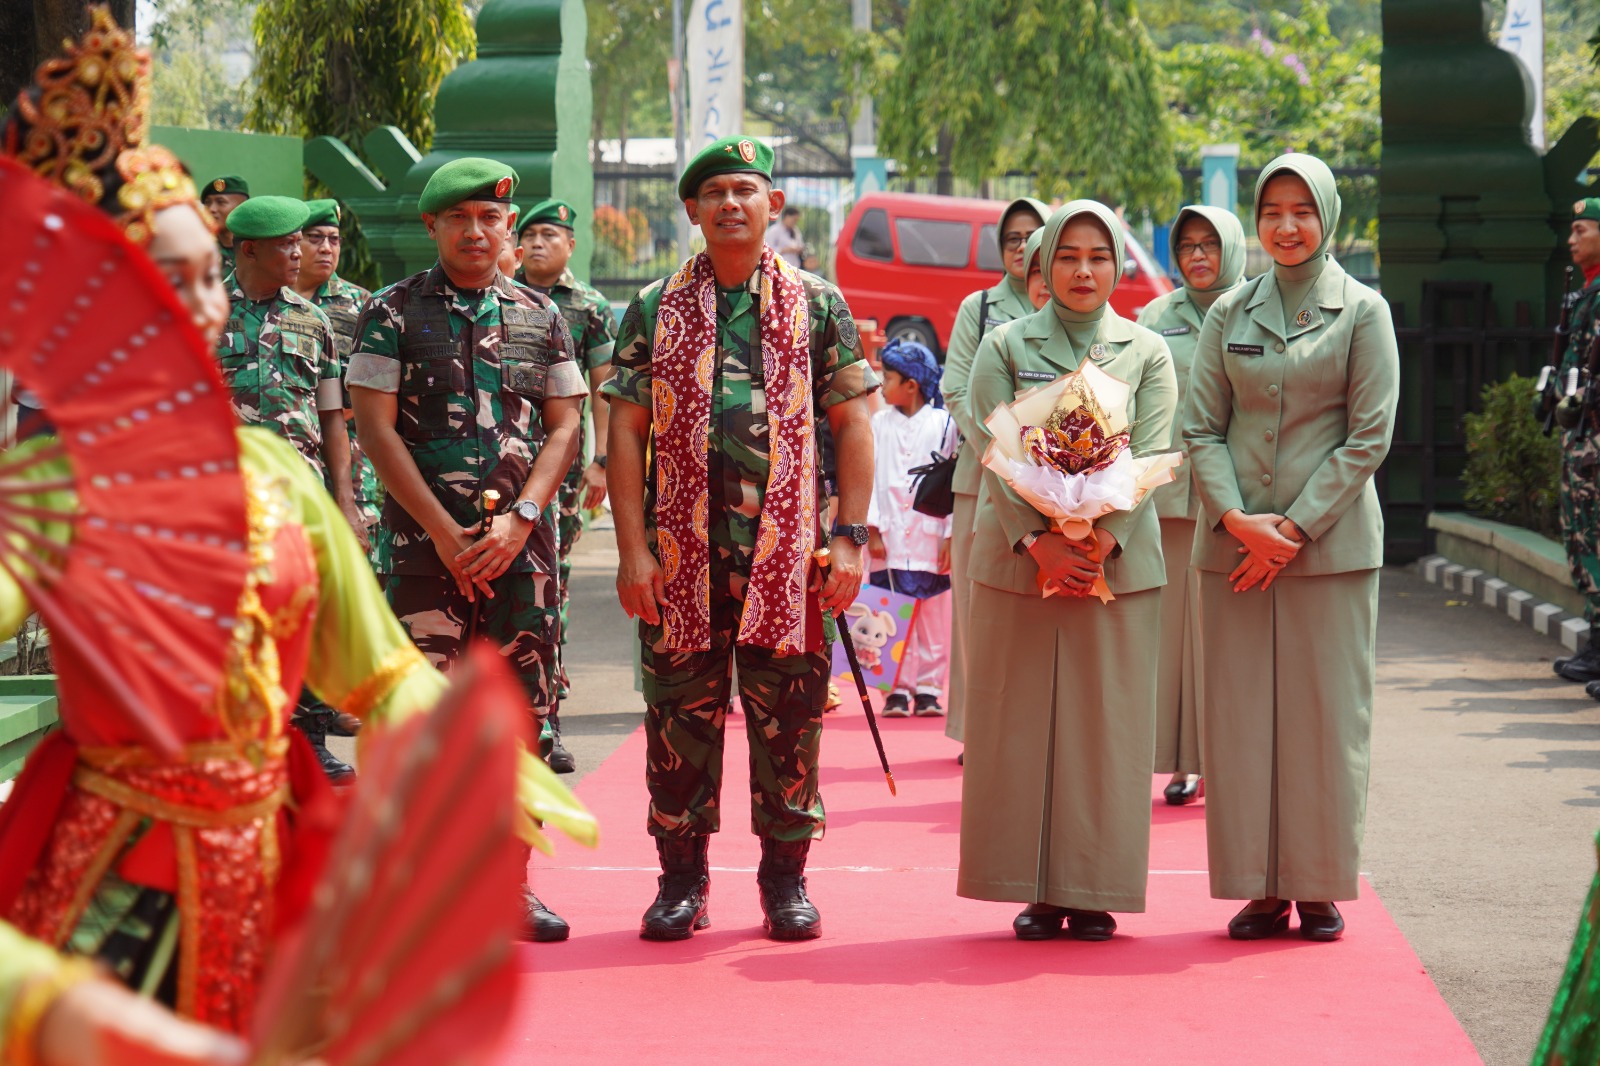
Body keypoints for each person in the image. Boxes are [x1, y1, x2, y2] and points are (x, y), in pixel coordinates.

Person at [0, 6, 455, 1035]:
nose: (200, 310)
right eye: (165, 284)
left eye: (206, 277)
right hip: (118, 863)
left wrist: (468, 756)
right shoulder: (51, 480)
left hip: (272, 839)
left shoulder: (272, 471)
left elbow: (371, 663)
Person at [605, 135, 878, 943]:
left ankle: (784, 881)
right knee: (677, 721)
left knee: (789, 718)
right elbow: (623, 431)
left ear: (774, 207)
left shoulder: (818, 303)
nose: (730, 203)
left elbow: (852, 422)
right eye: (714, 191)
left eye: (745, 190)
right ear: (691, 211)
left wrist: (851, 537)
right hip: (680, 559)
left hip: (788, 558)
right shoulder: (655, 306)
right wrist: (631, 547)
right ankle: (680, 882)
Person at [347, 156, 588, 943]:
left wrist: (522, 517)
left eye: (490, 218)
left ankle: (511, 885)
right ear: (433, 227)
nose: (477, 231)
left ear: (506, 227)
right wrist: (444, 534)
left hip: (521, 557)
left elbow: (564, 426)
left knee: (520, 718)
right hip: (424, 556)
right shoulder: (389, 312)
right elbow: (376, 430)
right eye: (460, 219)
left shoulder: (540, 315)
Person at [1184, 153, 1399, 942]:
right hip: (1234, 548)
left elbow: (1369, 435)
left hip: (1330, 551)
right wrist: (1239, 520)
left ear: (1328, 216)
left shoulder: (1362, 311)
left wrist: (1295, 529)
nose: (1285, 225)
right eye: (1271, 209)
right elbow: (1200, 427)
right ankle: (1258, 886)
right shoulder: (1228, 313)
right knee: (1240, 719)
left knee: (1323, 717)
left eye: (1301, 210)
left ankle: (1316, 883)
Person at [958, 200, 1176, 942]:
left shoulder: (1147, 351)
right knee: (1019, 726)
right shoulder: (1006, 344)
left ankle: (1095, 885)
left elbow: (1149, 457)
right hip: (1022, 565)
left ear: (1118, 265)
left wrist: (1096, 541)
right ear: (1042, 265)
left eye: (1100, 256)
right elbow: (994, 454)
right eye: (1069, 256)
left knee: (1104, 730)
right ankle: (1032, 886)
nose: (1084, 271)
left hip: (1113, 569)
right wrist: (1038, 541)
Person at [1135, 205, 1247, 806]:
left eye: (1210, 244)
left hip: (1236, 503)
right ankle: (1182, 764)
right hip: (1170, 501)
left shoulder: (1259, 311)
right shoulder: (1156, 317)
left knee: (1223, 638)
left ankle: (1228, 760)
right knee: (1172, 641)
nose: (1198, 256)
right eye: (1187, 247)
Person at [939, 196, 1048, 754]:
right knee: (977, 606)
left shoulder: (1065, 299)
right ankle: (976, 727)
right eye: (1012, 238)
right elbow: (956, 389)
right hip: (980, 477)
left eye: (1034, 235)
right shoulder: (979, 306)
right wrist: (1003, 453)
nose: (1023, 246)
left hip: (1058, 483)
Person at [515, 197, 619, 773]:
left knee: (550, 592)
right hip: (498, 470)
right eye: (527, 235)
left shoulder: (589, 307)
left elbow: (604, 387)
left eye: (549, 234)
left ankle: (547, 722)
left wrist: (601, 461)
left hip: (560, 476)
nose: (536, 244)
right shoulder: (497, 295)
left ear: (570, 245)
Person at [866, 339, 957, 718]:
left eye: (887, 377)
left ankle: (929, 688)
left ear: (911, 385)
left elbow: (954, 481)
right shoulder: (878, 423)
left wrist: (951, 532)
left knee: (934, 616)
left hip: (930, 535)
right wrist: (870, 527)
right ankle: (897, 689)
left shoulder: (944, 424)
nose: (880, 384)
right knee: (891, 610)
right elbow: (867, 476)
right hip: (889, 533)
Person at [292, 197, 379, 548]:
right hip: (288, 463)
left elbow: (377, 385)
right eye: (315, 238)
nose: (327, 248)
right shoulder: (268, 301)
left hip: (353, 469)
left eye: (334, 239)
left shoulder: (363, 305)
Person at [1552, 198, 1600, 685]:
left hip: (1596, 441)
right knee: (1582, 537)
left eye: (1581, 229)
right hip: (1581, 437)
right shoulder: (1585, 292)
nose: (1572, 240)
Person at [199, 174, 249, 276]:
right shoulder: (202, 249)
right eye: (207, 203)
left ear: (241, 206)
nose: (211, 209)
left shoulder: (257, 249)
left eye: (220, 202)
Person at [764, 204, 805, 269]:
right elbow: (767, 249)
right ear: (787, 217)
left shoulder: (796, 231)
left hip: (794, 266)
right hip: (778, 267)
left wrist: (799, 249)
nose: (795, 222)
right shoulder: (774, 230)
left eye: (796, 220)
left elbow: (800, 244)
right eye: (794, 220)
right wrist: (784, 250)